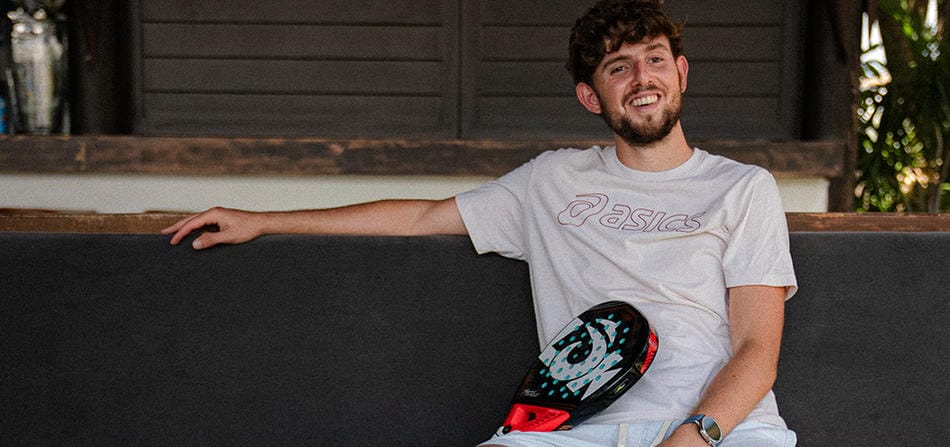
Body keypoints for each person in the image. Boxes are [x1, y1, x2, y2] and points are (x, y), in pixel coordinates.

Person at [163, 1, 798, 445]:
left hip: (720, 431)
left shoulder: (742, 188)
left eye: (654, 59)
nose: (641, 78)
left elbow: (756, 351)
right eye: (618, 67)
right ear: (591, 96)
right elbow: (420, 217)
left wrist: (692, 437)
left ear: (680, 72)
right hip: (571, 429)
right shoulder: (552, 180)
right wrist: (263, 219)